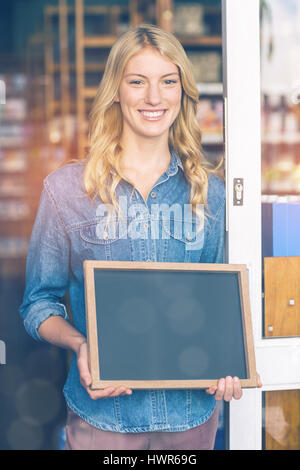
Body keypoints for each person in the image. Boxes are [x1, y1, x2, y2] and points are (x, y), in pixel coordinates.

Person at [19, 24, 245, 451]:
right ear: (116, 91)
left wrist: (227, 359)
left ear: (183, 92)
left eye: (168, 81)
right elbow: (38, 304)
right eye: (137, 81)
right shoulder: (66, 190)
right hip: (102, 417)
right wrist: (80, 344)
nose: (154, 98)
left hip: (191, 419)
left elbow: (217, 306)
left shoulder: (209, 192)